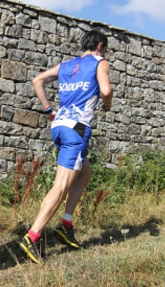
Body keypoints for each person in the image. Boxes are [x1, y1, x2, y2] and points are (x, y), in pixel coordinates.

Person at [18, 30, 113, 263]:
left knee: (84, 174)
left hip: (59, 127)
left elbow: (37, 80)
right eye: (105, 48)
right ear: (100, 45)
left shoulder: (66, 65)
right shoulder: (100, 62)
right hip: (76, 130)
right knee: (61, 186)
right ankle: (32, 236)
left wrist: (48, 109)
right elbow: (106, 90)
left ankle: (66, 224)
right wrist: (107, 105)